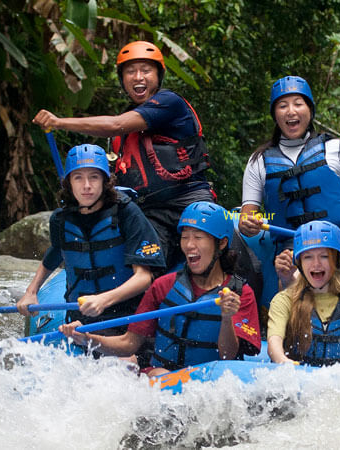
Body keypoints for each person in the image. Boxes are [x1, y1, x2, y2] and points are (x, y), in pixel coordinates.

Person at [32, 40, 214, 268]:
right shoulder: (124, 136)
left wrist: (59, 122)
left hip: (188, 201)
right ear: (122, 79)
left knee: (207, 251)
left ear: (158, 76)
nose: (138, 77)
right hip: (148, 212)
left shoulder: (170, 103)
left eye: (146, 70)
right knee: (138, 261)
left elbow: (116, 124)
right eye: (130, 72)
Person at [59, 201, 261, 376]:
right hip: (162, 380)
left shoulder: (240, 293)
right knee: (153, 372)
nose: (189, 245)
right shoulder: (164, 286)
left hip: (207, 387)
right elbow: (129, 344)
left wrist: (227, 317)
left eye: (198, 237)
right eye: (185, 237)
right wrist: (86, 338)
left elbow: (228, 355)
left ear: (222, 243)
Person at [16, 144, 166, 345]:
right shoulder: (61, 220)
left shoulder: (125, 212)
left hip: (126, 314)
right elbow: (54, 254)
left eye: (94, 177)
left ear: (105, 181)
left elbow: (144, 278)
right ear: (69, 182)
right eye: (78, 177)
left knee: (126, 364)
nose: (86, 185)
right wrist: (31, 292)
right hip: (80, 316)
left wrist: (104, 300)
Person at [238, 75, 340, 251]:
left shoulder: (336, 148)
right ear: (275, 115)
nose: (291, 111)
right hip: (294, 251)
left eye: (298, 104)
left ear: (310, 110)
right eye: (283, 106)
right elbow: (247, 216)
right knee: (286, 272)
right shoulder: (258, 161)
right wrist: (247, 225)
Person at [267, 220, 340, 366]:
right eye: (308, 257)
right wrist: (284, 362)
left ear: (337, 261)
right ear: (299, 263)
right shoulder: (284, 300)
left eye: (324, 256)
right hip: (298, 380)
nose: (316, 264)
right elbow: (274, 344)